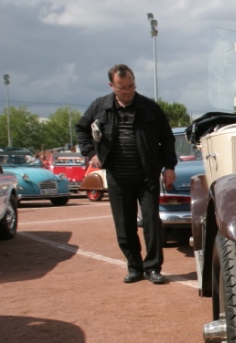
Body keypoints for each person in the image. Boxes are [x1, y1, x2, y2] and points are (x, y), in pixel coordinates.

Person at [75, 64, 177, 284]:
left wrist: (170, 167)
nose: (128, 91)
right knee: (124, 225)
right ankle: (134, 267)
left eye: (131, 86)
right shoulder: (100, 107)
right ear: (112, 86)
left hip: (147, 175)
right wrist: (91, 153)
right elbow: (81, 129)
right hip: (118, 177)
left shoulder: (150, 108)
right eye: (122, 88)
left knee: (151, 222)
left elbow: (167, 138)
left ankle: (153, 268)